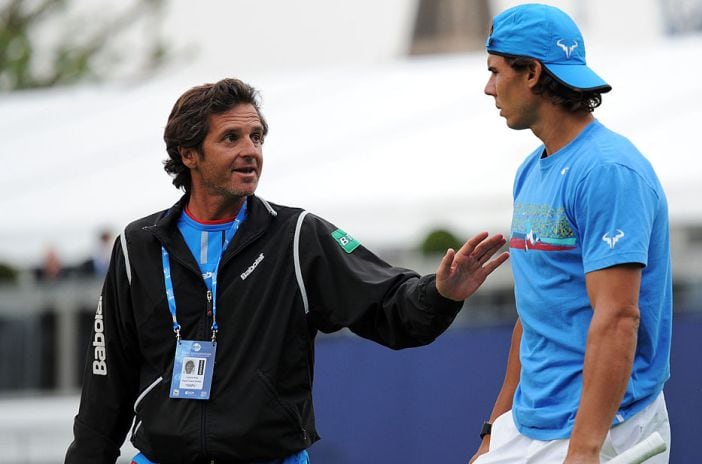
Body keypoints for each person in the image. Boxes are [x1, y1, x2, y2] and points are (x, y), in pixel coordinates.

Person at [64, 78, 509, 464]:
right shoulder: (137, 245)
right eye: (231, 138)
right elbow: (105, 387)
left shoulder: (297, 236)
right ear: (188, 154)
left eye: (256, 137)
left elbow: (389, 306)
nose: (250, 151)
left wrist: (442, 293)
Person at [470, 4, 672, 464]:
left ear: (532, 73)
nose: (487, 87)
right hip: (527, 427)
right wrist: (493, 430)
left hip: (605, 430)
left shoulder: (608, 171)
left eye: (495, 71)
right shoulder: (530, 170)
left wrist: (584, 449)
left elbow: (619, 318)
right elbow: (534, 314)